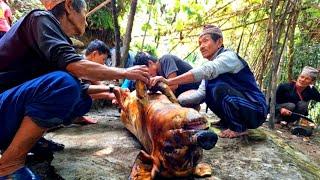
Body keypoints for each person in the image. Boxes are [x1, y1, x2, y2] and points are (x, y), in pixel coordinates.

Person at [0, 0, 149, 178]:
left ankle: (30, 142)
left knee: (80, 97)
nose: (86, 23)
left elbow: (81, 87)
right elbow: (74, 68)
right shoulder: (40, 19)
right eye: (85, 16)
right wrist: (126, 73)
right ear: (69, 5)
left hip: (9, 109)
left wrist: (111, 89)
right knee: (64, 85)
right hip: (4, 109)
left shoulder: (56, 38)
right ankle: (10, 163)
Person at [150, 25, 267, 138]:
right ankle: (227, 121)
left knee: (219, 88)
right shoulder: (210, 65)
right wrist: (175, 105)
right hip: (245, 108)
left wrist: (169, 82)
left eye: (205, 41)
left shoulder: (229, 57)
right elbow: (200, 95)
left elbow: (208, 70)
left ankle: (238, 127)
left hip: (256, 110)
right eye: (200, 43)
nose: (201, 46)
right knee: (209, 92)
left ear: (219, 42)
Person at [125, 52, 201, 97]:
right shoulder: (157, 73)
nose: (148, 76)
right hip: (182, 92)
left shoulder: (166, 60)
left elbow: (174, 86)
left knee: (181, 101)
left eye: (147, 72)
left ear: (150, 63)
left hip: (197, 88)